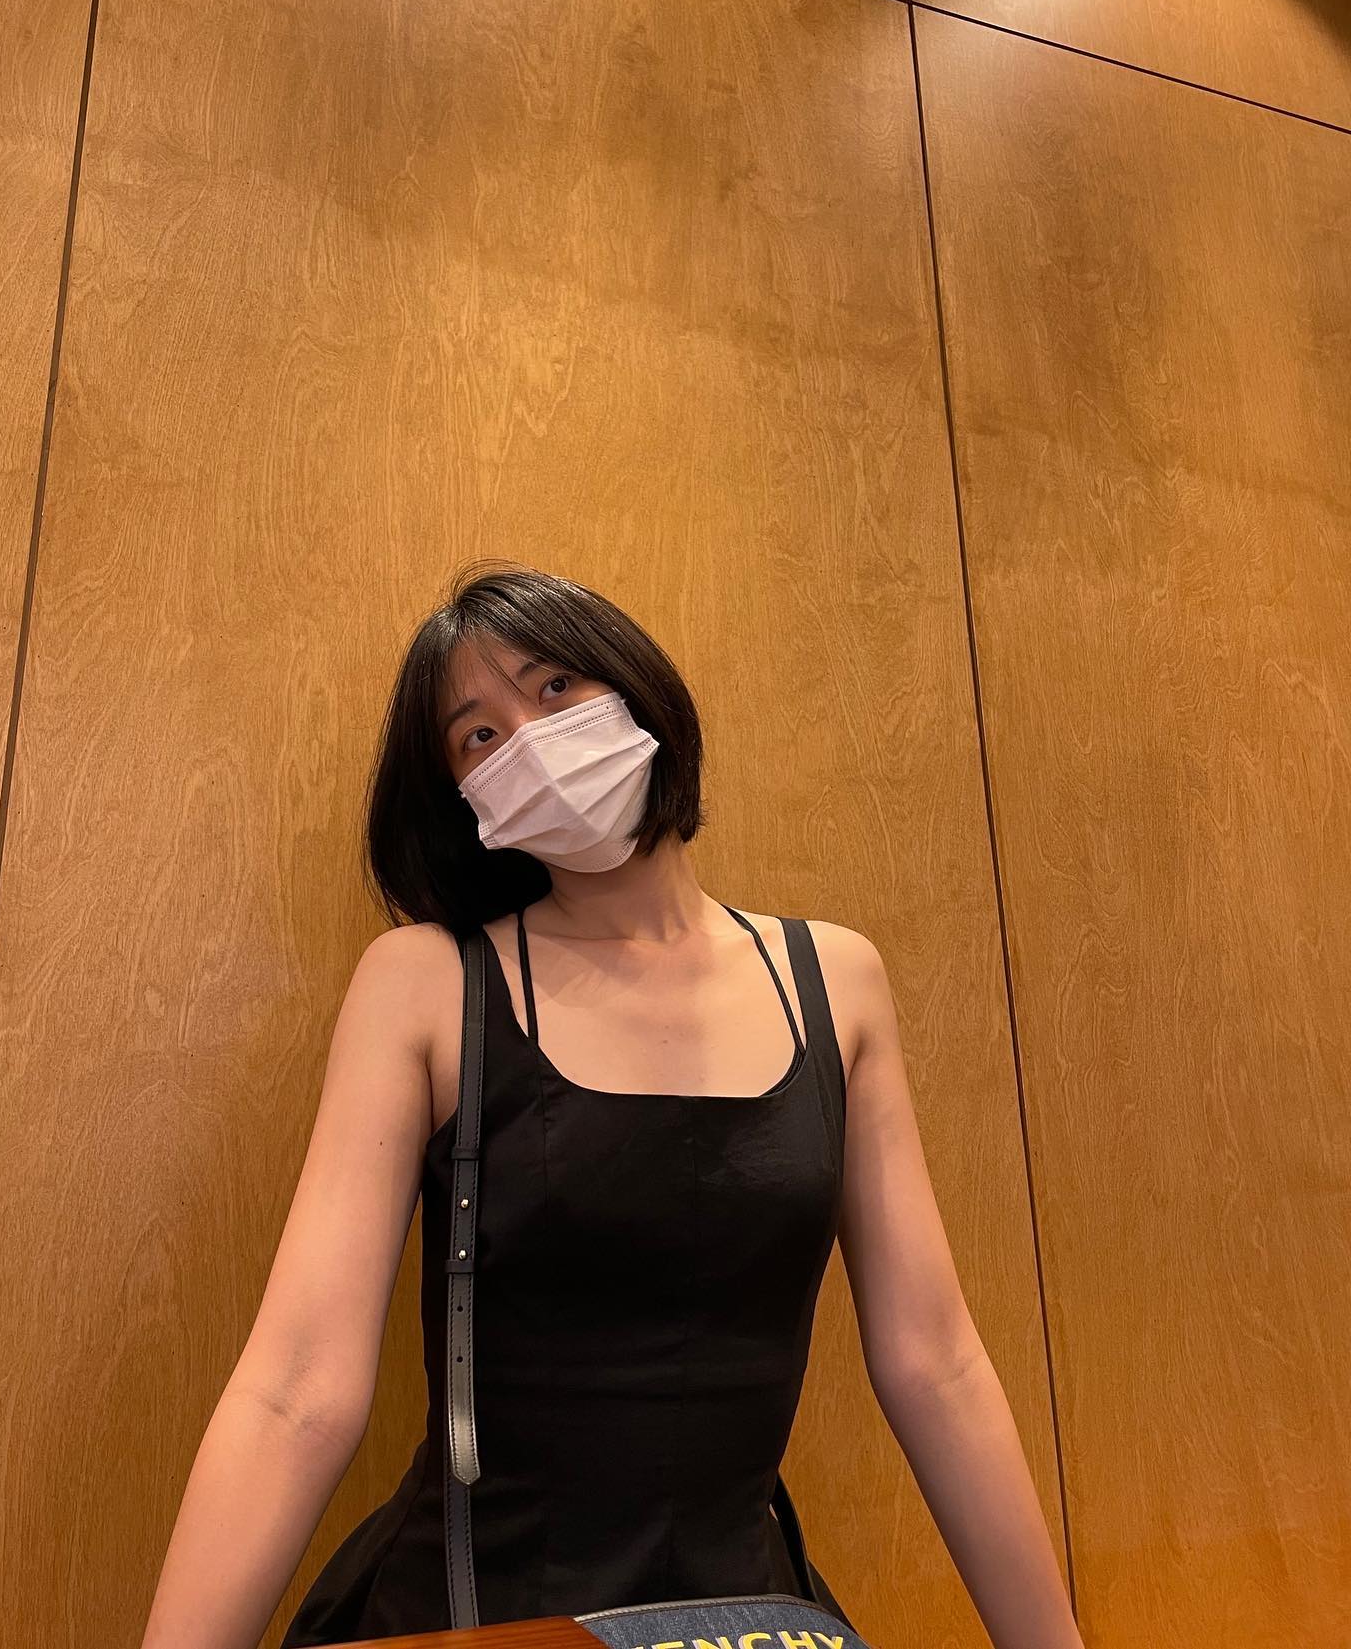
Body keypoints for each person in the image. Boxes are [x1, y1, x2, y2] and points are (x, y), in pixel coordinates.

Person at [141, 561, 1083, 1649]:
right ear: (465, 800)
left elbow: (938, 1363)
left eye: (555, 688)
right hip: (485, 1618)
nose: (530, 740)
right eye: (479, 736)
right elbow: (296, 1390)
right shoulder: (428, 984)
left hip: (746, 1619)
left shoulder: (836, 980)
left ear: (636, 691)